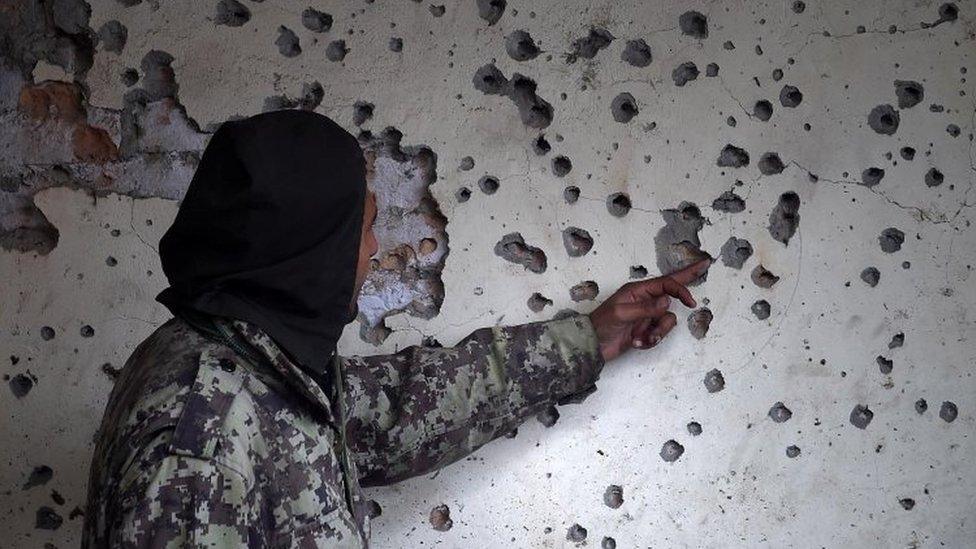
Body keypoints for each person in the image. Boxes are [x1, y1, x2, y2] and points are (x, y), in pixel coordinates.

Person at [81, 109, 710, 548]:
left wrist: (590, 336)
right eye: (366, 224)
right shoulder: (198, 451)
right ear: (313, 240)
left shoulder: (247, 360)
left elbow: (398, 411)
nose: (376, 249)